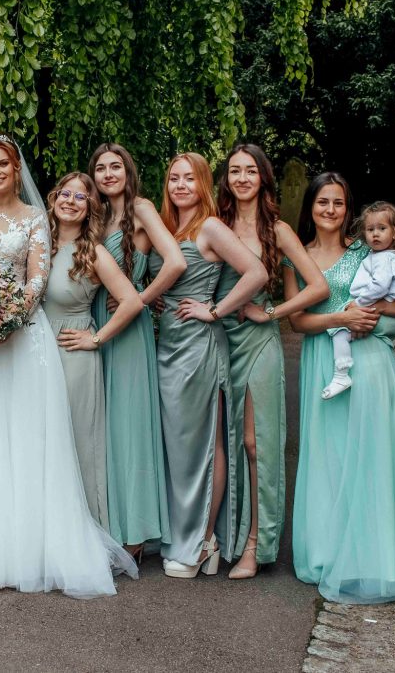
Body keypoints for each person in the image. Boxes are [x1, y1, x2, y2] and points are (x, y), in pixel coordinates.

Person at [0, 133, 137, 598]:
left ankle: (29, 551)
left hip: (22, 338)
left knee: (25, 438)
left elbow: (37, 278)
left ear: (16, 168)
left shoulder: (34, 218)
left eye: (3, 164)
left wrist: (6, 321)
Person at [284, 172, 395, 604]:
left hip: (370, 363)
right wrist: (340, 318)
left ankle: (371, 560)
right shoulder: (296, 256)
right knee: (328, 456)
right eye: (322, 202)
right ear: (310, 207)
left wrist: (372, 308)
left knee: (369, 457)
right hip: (321, 361)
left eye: (338, 203)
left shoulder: (368, 249)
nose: (330, 210)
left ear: (348, 209)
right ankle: (326, 553)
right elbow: (297, 321)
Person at [149, 152, 267, 579]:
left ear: (202, 184)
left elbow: (256, 273)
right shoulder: (167, 229)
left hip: (199, 347)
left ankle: (202, 541)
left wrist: (214, 310)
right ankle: (188, 534)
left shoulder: (211, 227)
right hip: (167, 346)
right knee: (177, 446)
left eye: (189, 178)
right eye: (173, 178)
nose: (180, 185)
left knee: (203, 444)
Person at [213, 144, 329, 579]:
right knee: (222, 442)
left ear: (263, 177)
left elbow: (317, 286)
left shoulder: (277, 230)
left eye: (250, 171)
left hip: (259, 341)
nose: (242, 178)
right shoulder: (216, 223)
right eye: (235, 171)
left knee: (255, 443)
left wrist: (274, 313)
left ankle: (256, 545)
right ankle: (221, 536)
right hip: (219, 340)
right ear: (226, 179)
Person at [87, 143, 183, 556]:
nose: (108, 174)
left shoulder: (140, 209)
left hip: (128, 331)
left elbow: (175, 261)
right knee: (102, 427)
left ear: (128, 171)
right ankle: (106, 526)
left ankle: (135, 534)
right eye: (101, 168)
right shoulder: (95, 216)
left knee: (128, 428)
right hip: (95, 321)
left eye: (116, 167)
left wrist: (140, 298)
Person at [42, 171, 144, 530]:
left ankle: (83, 531)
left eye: (80, 197)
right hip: (37, 354)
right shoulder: (39, 245)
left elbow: (132, 301)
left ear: (89, 209)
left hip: (73, 355)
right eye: (65, 194)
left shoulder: (93, 252)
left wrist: (96, 339)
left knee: (76, 443)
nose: (70, 201)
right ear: (54, 199)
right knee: (42, 442)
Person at [321, 201, 395, 400]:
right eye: (370, 229)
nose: (375, 234)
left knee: (339, 332)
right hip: (381, 313)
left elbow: (380, 286)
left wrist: (360, 303)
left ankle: (341, 375)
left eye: (382, 229)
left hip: (375, 310)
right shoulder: (386, 255)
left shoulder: (385, 258)